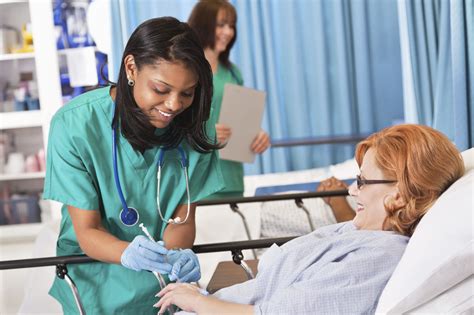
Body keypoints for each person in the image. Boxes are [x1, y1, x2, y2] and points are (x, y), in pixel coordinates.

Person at [154, 124, 465, 314]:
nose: (353, 190)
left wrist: (198, 302)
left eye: (363, 182)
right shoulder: (358, 232)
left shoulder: (379, 257)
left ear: (397, 196)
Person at [43, 17, 224, 314]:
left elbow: (181, 220)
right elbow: (87, 231)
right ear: (131, 68)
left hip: (163, 292)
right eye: (161, 89)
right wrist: (128, 252)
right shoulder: (74, 126)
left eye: (187, 93)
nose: (174, 105)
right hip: (95, 289)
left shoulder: (195, 128)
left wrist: (178, 255)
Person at [188, 0, 271, 198]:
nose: (228, 32)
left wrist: (257, 134)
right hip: (199, 180)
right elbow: (172, 122)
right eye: (221, 24)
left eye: (231, 25)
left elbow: (239, 118)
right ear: (203, 24)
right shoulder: (186, 70)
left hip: (232, 178)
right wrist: (205, 132)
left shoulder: (233, 73)